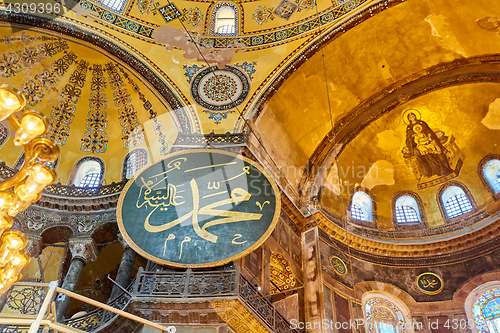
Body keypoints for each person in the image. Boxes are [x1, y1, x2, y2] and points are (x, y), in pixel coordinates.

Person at [403, 112, 453, 178]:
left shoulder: (422, 123)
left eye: (413, 115)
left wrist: (429, 137)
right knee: (428, 156)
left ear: (415, 116)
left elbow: (429, 131)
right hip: (421, 146)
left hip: (429, 142)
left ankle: (446, 168)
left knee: (439, 152)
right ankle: (433, 172)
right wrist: (414, 144)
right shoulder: (409, 128)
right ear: (408, 119)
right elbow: (409, 139)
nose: (412, 117)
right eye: (410, 117)